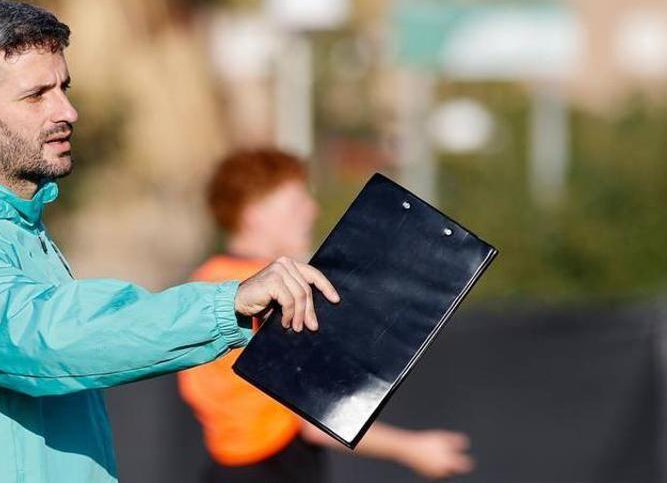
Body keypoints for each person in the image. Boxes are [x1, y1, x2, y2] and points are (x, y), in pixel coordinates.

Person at [0, 0, 341, 483]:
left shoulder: (14, 223)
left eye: (64, 87)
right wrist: (225, 305)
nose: (67, 111)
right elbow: (39, 337)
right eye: (36, 95)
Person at [178, 148, 476, 482]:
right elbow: (311, 417)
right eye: (295, 202)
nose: (311, 209)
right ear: (254, 214)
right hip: (269, 470)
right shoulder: (258, 293)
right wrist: (413, 448)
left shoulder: (207, 283)